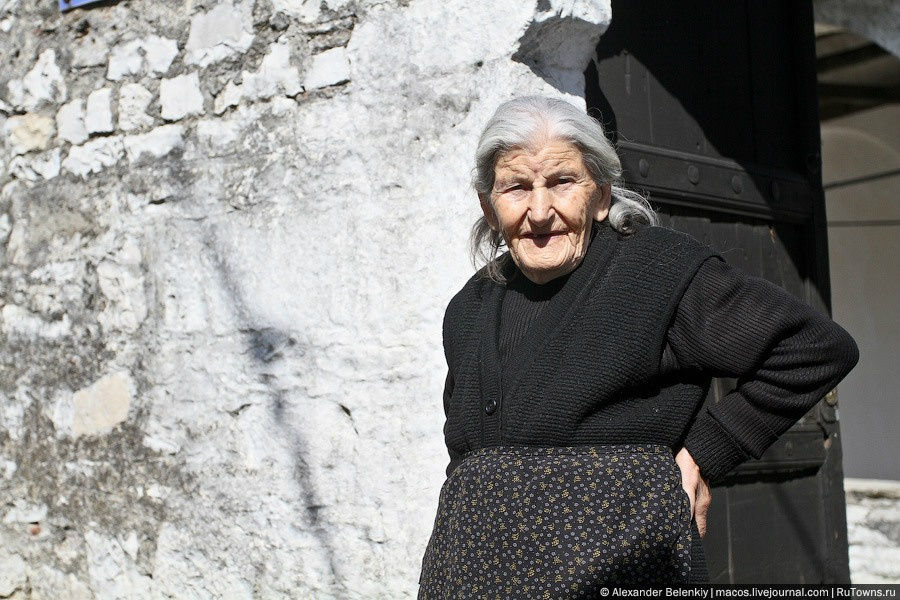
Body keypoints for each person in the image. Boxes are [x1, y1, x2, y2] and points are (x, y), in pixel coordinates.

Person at [418, 95, 859, 594]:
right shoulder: (469, 307)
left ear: (602, 195)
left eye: (562, 182)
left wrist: (704, 453)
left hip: (622, 569)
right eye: (516, 187)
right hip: (472, 576)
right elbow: (464, 451)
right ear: (489, 206)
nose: (539, 211)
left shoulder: (655, 272)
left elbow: (814, 347)